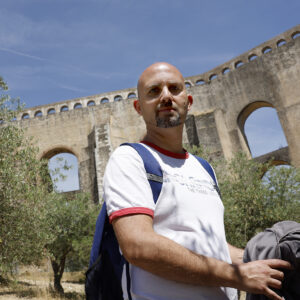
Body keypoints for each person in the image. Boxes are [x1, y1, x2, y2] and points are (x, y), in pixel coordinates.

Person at [103, 62, 291, 300]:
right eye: (154, 91)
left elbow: (214, 246)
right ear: (139, 107)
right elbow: (138, 246)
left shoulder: (204, 168)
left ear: (188, 102)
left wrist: (260, 261)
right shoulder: (130, 158)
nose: (166, 97)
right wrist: (237, 276)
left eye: (174, 88)